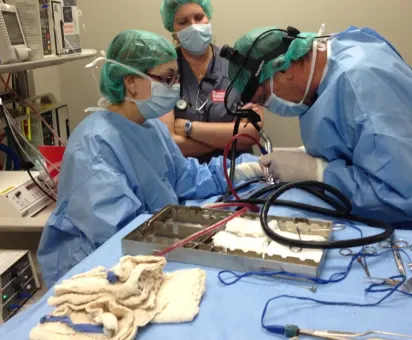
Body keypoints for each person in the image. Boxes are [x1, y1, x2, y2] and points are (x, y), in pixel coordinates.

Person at [37, 30, 257, 287]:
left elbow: (184, 176)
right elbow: (120, 231)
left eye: (177, 78)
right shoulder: (95, 143)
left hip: (150, 249)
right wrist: (194, 228)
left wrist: (244, 170)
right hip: (101, 271)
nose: (175, 86)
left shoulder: (150, 127)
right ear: (131, 82)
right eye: (167, 78)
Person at [227, 25, 412, 234]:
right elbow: (362, 141)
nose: (267, 106)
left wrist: (319, 172)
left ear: (285, 69)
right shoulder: (330, 58)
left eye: (265, 96)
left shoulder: (363, 82)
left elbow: (407, 192)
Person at [159, 0, 263, 163]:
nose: (194, 26)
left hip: (240, 173)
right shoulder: (163, 72)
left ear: (208, 17)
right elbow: (170, 144)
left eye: (199, 17)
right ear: (173, 29)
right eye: (183, 22)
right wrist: (229, 138)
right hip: (187, 178)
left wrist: (189, 127)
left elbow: (252, 133)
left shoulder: (236, 64)